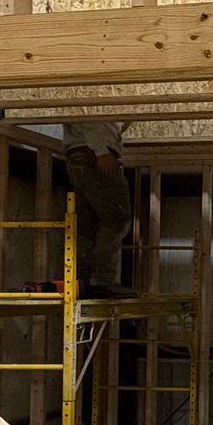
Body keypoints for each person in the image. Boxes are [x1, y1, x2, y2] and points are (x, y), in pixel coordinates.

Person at [63, 120, 133, 297]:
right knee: (116, 218)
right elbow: (90, 114)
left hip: (79, 153)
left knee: (88, 223)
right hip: (93, 153)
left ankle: (83, 283)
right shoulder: (96, 100)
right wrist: (100, 151)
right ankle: (102, 281)